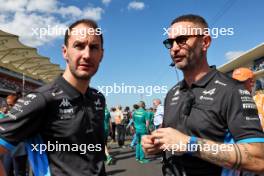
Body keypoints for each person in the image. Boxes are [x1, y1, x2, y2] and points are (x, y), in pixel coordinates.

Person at [142, 14, 264, 176]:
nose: (174, 48)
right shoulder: (172, 93)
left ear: (205, 42)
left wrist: (189, 144)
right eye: (170, 43)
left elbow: (258, 159)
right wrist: (155, 145)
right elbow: (171, 141)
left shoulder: (232, 91)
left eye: (182, 40)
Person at [0, 19, 106, 176]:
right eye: (79, 46)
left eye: (94, 47)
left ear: (101, 55)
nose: (87, 54)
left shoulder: (98, 98)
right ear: (65, 52)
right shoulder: (42, 98)